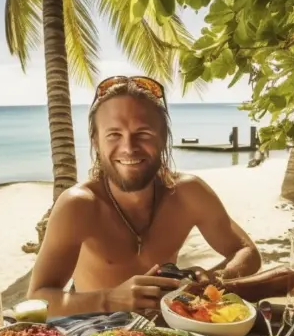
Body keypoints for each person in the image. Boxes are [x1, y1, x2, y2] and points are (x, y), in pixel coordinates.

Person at [27, 75, 262, 317]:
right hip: (96, 332)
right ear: (96, 141)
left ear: (163, 138)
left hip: (170, 326)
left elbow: (247, 253)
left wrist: (213, 279)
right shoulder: (78, 205)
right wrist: (110, 299)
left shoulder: (188, 193)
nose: (129, 148)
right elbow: (37, 298)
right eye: (114, 134)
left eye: (143, 133)